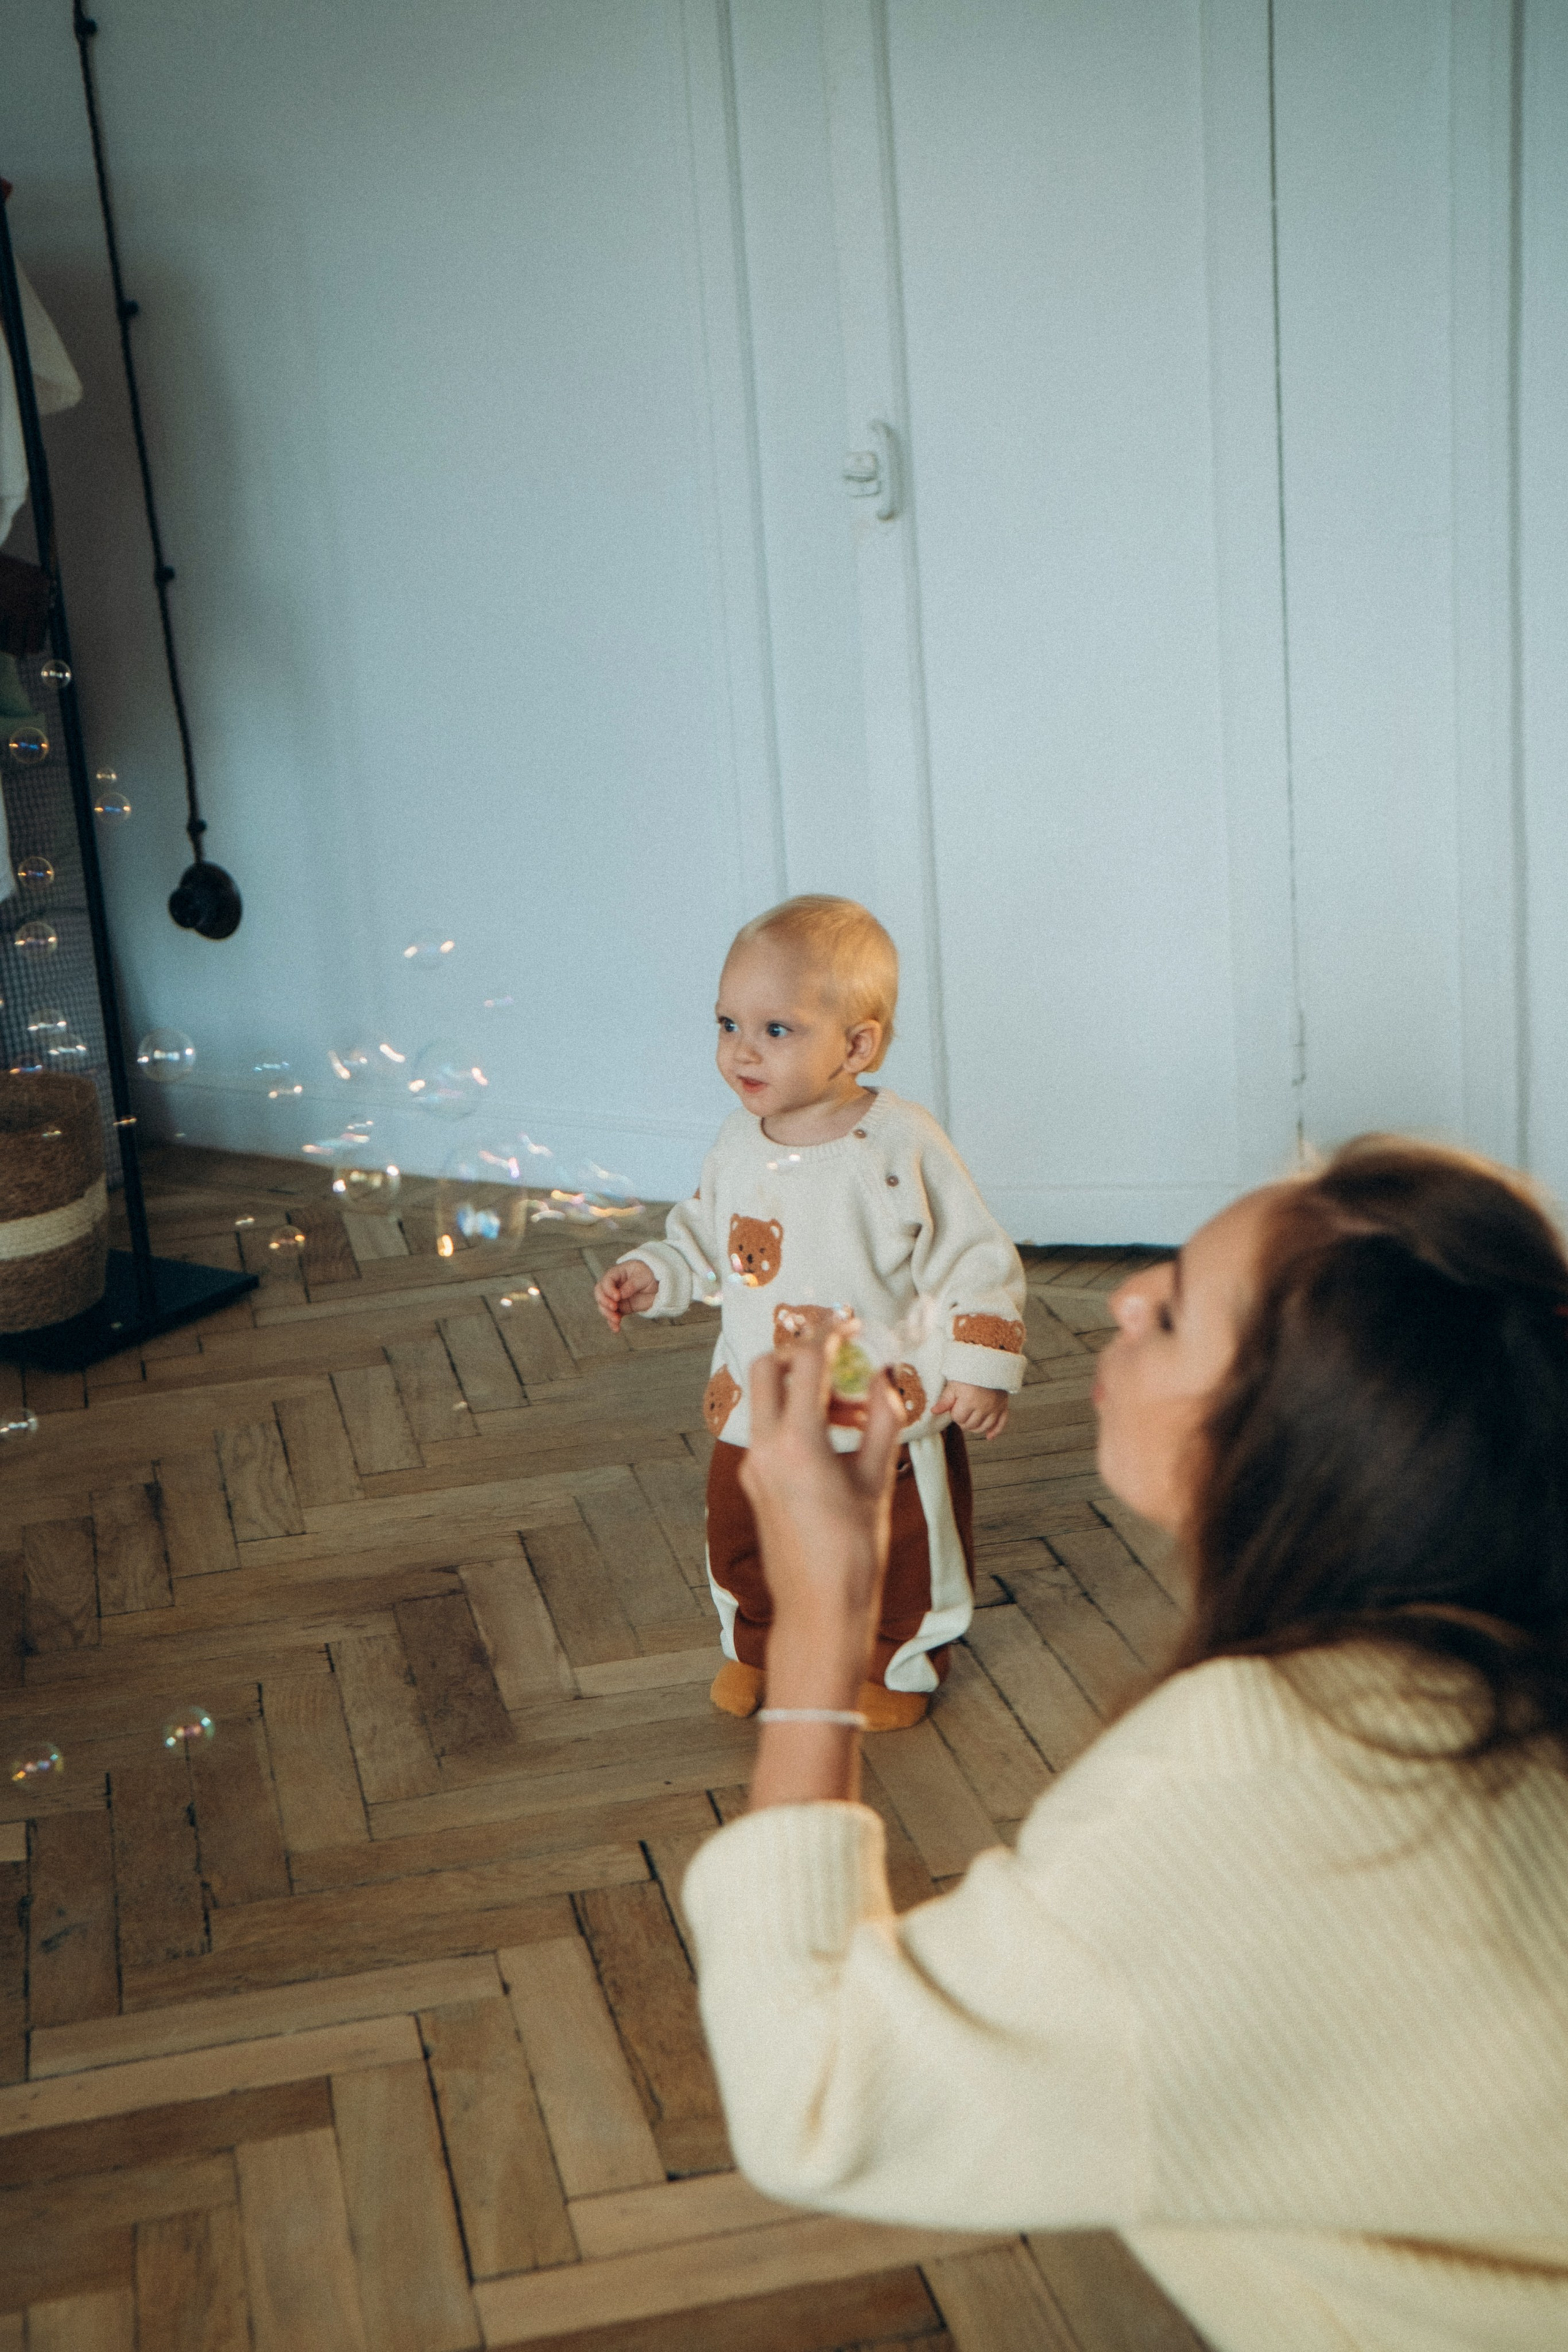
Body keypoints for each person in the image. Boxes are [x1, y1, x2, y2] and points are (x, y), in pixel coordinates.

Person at [682, 1137, 1568, 2351]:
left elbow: (812, 2095)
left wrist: (820, 1625)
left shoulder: (1257, 1778)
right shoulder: (1506, 1645)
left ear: (1291, 1439)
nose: (1122, 1296)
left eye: (1174, 1313)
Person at [593, 895, 1026, 1731]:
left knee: (899, 1544)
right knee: (742, 1530)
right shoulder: (738, 1139)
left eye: (776, 1030)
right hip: (759, 1397)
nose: (740, 1050)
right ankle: (760, 1643)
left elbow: (973, 1257)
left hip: (881, 1398)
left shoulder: (900, 1145)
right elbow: (704, 1235)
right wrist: (656, 1270)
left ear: (857, 1044)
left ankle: (897, 1657)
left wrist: (980, 1367)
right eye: (727, 1023)